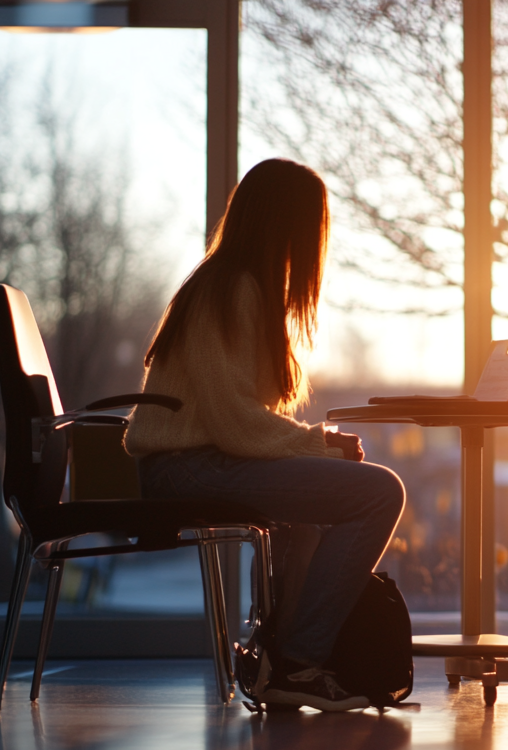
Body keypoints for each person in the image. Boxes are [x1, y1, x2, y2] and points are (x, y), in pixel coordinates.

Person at [125, 158, 405, 711]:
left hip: (194, 463)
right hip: (187, 467)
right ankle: (299, 661)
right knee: (379, 492)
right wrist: (318, 443)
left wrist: (317, 447)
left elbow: (239, 420)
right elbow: (234, 422)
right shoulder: (230, 290)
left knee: (324, 502)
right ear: (287, 224)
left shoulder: (235, 286)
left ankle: (283, 659)